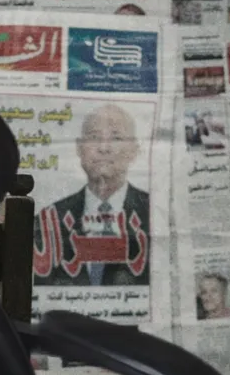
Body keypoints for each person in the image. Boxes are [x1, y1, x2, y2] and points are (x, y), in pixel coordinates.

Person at [34, 104, 151, 286]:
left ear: (134, 150)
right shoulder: (49, 220)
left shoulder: (155, 213)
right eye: (94, 137)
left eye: (116, 138)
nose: (104, 148)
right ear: (79, 148)